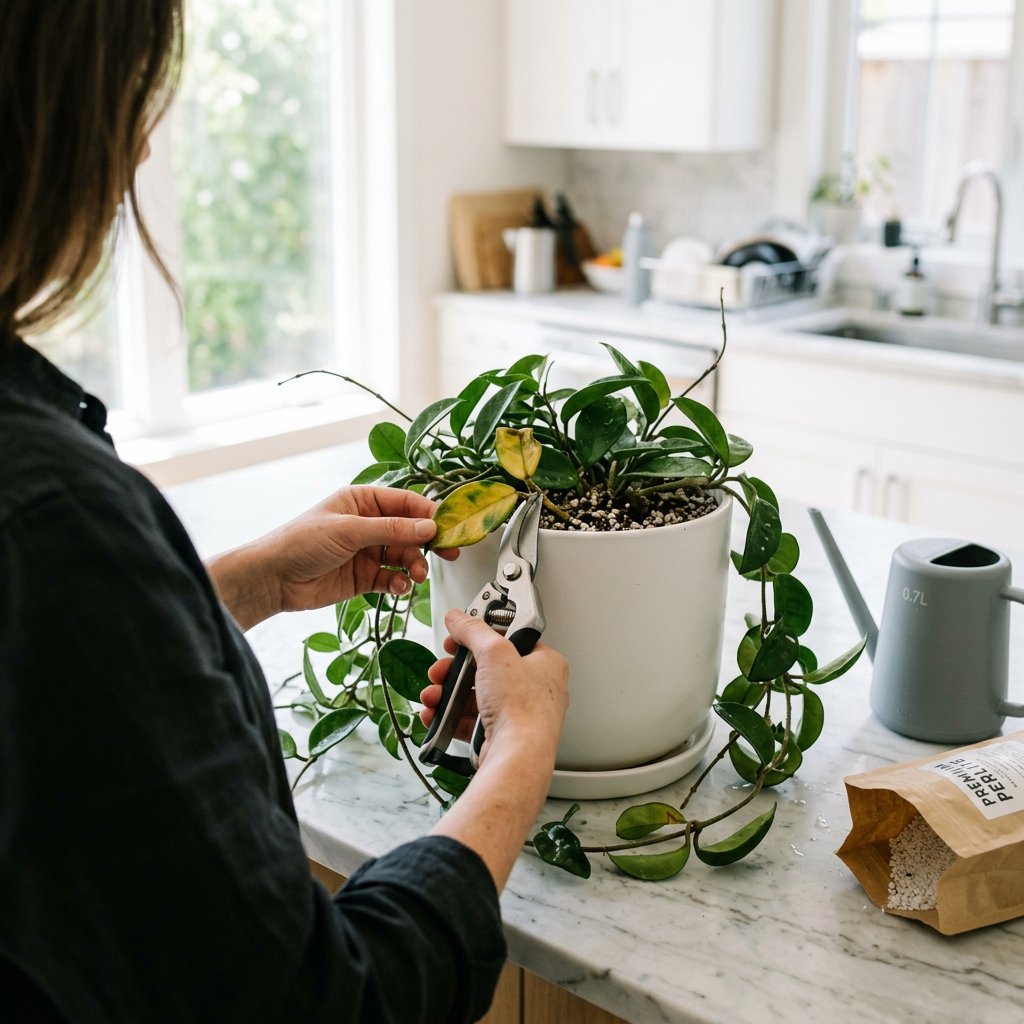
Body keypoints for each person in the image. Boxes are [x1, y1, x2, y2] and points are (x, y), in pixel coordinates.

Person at [0, 4, 570, 1022]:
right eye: (139, 94)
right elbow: (329, 1002)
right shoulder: (51, 513)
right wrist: (519, 750)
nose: (141, 138)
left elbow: (42, 691)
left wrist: (231, 588)